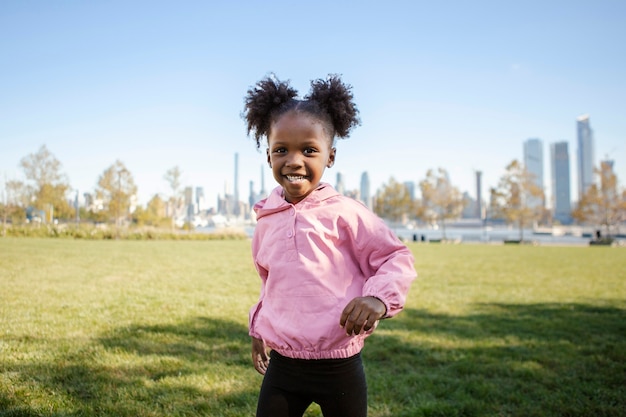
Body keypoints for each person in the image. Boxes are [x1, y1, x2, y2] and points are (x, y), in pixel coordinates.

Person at [242, 74, 417, 417]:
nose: (293, 161)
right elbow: (270, 284)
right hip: (283, 367)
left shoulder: (346, 213)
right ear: (268, 157)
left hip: (340, 367)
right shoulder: (266, 219)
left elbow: (396, 257)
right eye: (281, 150)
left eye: (309, 150)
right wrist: (257, 328)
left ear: (330, 157)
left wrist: (378, 298)